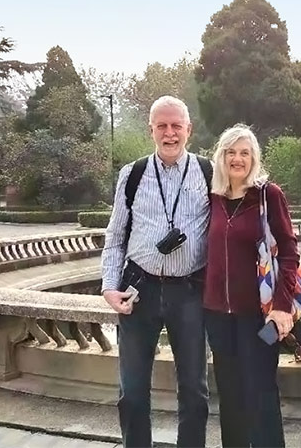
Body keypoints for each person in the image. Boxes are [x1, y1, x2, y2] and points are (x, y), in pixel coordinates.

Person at [101, 95, 210, 448]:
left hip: (190, 291)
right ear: (151, 130)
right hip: (139, 288)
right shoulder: (131, 175)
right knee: (131, 392)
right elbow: (115, 236)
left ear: (188, 130)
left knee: (194, 391)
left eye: (176, 125)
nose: (169, 133)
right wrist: (108, 287)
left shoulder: (209, 172)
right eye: (161, 126)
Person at [202, 124, 300, 447]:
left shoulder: (268, 195)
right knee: (229, 399)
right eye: (231, 152)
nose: (237, 159)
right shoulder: (212, 197)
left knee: (260, 396)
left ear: (254, 158)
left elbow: (289, 253)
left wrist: (283, 307)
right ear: (221, 157)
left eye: (244, 153)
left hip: (257, 316)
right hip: (218, 315)